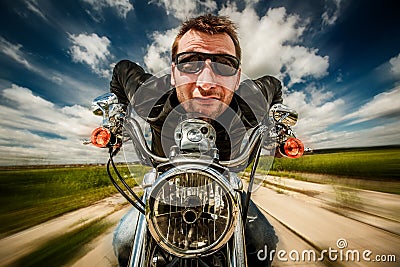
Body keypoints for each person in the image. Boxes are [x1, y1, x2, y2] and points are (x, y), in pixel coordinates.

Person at [110, 14, 282, 266]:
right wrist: (118, 116)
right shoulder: (150, 96)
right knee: (125, 243)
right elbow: (121, 70)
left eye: (224, 64)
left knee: (263, 243)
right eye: (190, 63)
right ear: (172, 73)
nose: (206, 82)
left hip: (225, 192)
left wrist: (278, 126)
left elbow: (274, 86)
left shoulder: (250, 102)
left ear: (237, 77)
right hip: (164, 189)